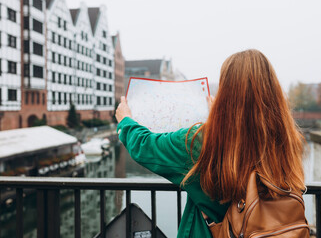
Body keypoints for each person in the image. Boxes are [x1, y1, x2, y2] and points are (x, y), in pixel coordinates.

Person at [115, 49, 306, 238]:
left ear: (225, 93)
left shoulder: (201, 143)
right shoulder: (287, 142)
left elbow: (145, 145)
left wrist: (125, 121)